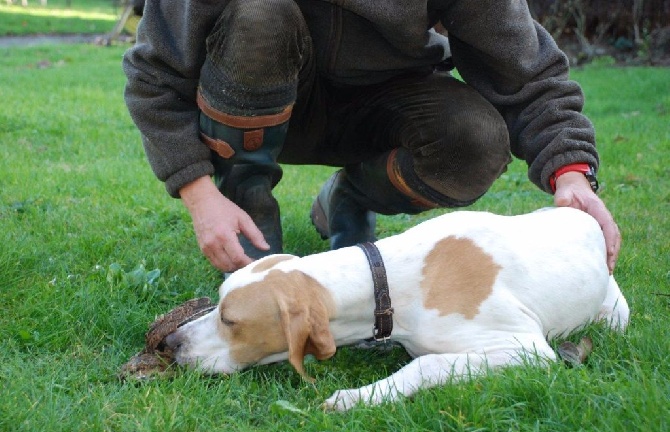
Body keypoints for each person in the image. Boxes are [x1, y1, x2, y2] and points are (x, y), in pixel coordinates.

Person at [123, 0, 620, 276]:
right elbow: (156, 75)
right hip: (263, 103)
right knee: (259, 15)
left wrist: (571, 173)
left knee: (475, 140)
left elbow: (524, 70)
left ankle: (349, 197)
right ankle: (250, 229)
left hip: (384, 104)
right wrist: (200, 194)